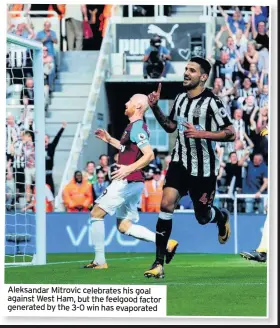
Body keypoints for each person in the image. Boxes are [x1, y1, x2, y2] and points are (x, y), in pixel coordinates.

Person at [144, 57, 236, 279]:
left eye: (192, 70)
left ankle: (221, 217)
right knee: (166, 204)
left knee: (202, 217)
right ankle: (158, 263)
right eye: (185, 69)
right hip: (180, 162)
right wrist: (155, 108)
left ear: (203, 77)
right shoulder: (179, 99)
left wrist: (201, 133)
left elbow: (231, 133)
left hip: (204, 169)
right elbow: (170, 127)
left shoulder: (212, 102)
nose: (186, 73)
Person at [83, 93, 178, 269]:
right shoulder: (133, 127)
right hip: (134, 182)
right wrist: (109, 139)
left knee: (96, 213)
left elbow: (149, 155)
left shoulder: (137, 128)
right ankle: (166, 243)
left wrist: (128, 168)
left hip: (126, 181)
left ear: (139, 107)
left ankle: (99, 261)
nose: (126, 103)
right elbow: (128, 149)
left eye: (130, 101)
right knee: (124, 226)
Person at [240, 126, 268, 262]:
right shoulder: (251, 163)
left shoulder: (264, 167)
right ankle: (262, 251)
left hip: (259, 194)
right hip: (251, 194)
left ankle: (263, 252)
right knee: (270, 216)